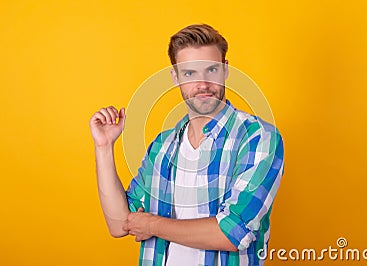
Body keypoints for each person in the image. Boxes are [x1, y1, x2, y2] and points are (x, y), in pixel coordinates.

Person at [89, 24, 284, 266]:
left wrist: (151, 224)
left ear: (225, 70)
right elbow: (120, 224)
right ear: (175, 77)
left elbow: (232, 233)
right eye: (189, 73)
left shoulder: (258, 137)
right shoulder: (162, 147)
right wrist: (104, 147)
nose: (202, 84)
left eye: (211, 70)